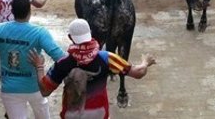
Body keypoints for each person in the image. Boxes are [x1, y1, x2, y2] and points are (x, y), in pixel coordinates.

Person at [29, 18, 157, 119]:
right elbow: (138, 73)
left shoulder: (63, 63)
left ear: (70, 37)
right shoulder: (107, 58)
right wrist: (145, 62)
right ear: (90, 34)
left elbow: (45, 91)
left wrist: (39, 66)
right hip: (99, 114)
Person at [0, 0, 65, 119]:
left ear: (12, 11)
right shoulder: (40, 32)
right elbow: (61, 58)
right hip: (35, 88)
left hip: (10, 89)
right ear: (29, 11)